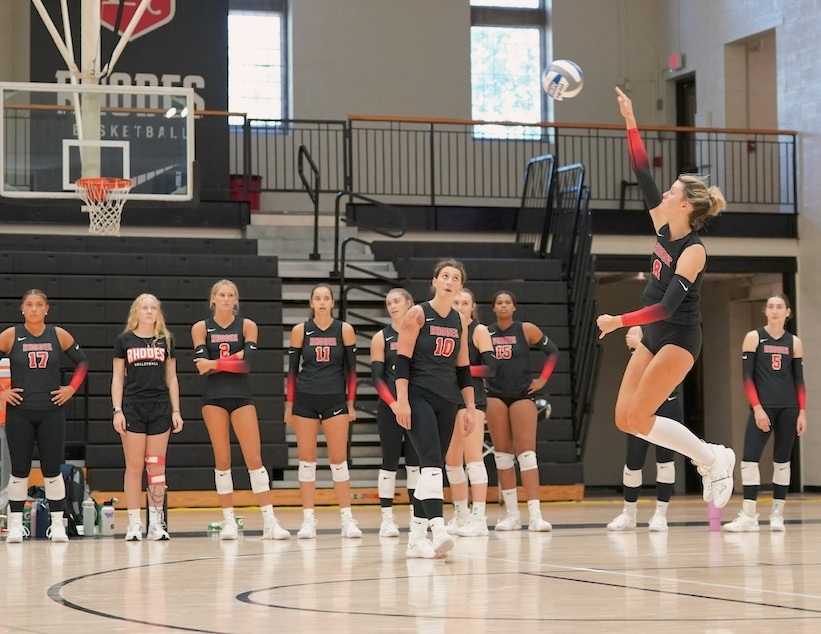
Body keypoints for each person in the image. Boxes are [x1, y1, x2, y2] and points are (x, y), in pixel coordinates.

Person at [596, 86, 735, 509]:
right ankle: (713, 457)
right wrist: (631, 121)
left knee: (640, 417)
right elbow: (642, 172)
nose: (665, 194)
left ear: (687, 204)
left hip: (678, 336)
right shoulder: (661, 224)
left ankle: (712, 459)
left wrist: (619, 321)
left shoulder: (693, 251)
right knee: (626, 419)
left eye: (673, 191)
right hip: (654, 334)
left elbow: (667, 307)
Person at [192, 280, 289, 540]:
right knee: (222, 460)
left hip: (241, 396)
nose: (226, 299)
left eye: (230, 295)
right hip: (213, 398)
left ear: (236, 300)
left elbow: (248, 364)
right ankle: (229, 522)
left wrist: (215, 362)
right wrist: (230, 358)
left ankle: (270, 521)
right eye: (221, 295)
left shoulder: (247, 325)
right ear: (213, 299)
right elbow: (202, 367)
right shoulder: (201, 328)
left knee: (254, 459)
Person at [395, 259, 476, 559]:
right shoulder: (417, 313)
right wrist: (401, 400)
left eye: (456, 278)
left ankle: (416, 540)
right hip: (419, 396)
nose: (450, 281)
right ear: (435, 280)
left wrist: (469, 406)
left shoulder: (459, 321)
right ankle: (438, 527)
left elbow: (463, 368)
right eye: (445, 276)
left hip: (447, 400)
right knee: (430, 463)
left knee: (431, 470)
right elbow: (401, 361)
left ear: (460, 286)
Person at [0, 289, 88, 543]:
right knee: (19, 471)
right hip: (19, 413)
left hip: (51, 413)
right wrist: (3, 393)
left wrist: (71, 389)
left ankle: (58, 525)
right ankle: (16, 526)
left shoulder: (58, 335)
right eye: (29, 304)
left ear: (47, 309)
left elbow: (82, 363)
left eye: (39, 304)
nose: (34, 309)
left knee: (52, 470)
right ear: (22, 309)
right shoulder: (11, 335)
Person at [723, 293, 806, 532]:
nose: (775, 310)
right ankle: (749, 516)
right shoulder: (753, 337)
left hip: (789, 407)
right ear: (766, 311)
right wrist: (757, 408)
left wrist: (802, 412)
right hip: (763, 407)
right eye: (770, 306)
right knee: (749, 459)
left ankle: (777, 514)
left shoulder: (794, 342)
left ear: (788, 312)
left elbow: (799, 381)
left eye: (780, 307)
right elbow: (747, 377)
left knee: (782, 461)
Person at [285, 284, 361, 539]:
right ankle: (308, 520)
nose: (321, 302)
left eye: (326, 298)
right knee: (306, 462)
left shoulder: (345, 330)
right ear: (311, 303)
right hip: (305, 400)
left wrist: (350, 404)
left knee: (338, 461)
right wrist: (289, 406)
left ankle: (347, 519)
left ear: (332, 303)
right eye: (317, 298)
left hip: (335, 400)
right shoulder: (300, 331)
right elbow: (292, 372)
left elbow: (352, 372)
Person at [112, 294, 184, 541]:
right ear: (136, 311)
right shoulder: (124, 340)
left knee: (156, 467)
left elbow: (172, 377)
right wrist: (117, 410)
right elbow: (118, 378)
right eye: (145, 307)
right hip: (133, 407)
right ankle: (133, 524)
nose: (150, 311)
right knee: (134, 466)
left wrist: (176, 410)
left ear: (158, 312)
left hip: (160, 408)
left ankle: (155, 523)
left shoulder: (166, 340)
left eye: (154, 307)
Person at [485, 291, 558, 532]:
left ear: (514, 307)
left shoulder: (526, 329)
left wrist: (543, 380)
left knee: (527, 455)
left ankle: (536, 515)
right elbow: (473, 364)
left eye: (507, 302)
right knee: (503, 456)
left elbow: (553, 352)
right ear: (494, 308)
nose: (503, 306)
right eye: (499, 303)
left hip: (522, 395)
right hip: (495, 396)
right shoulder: (485, 333)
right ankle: (512, 515)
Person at [608, 326, 683, 532]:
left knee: (665, 461)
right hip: (641, 405)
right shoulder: (638, 329)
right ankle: (629, 514)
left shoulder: (673, 331)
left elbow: (666, 363)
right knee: (633, 461)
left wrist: (640, 345)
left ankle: (661, 515)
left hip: (667, 403)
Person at [445, 288, 495, 537]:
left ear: (473, 306)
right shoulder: (447, 332)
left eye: (464, 303)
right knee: (452, 461)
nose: (460, 306)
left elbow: (491, 369)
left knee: (473, 457)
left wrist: (462, 371)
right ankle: (461, 514)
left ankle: (479, 518)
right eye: (456, 302)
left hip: (472, 399)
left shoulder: (479, 331)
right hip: (448, 399)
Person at [370, 288, 420, 537]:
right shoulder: (381, 337)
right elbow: (378, 379)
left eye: (397, 301)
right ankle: (387, 519)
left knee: (415, 464)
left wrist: (410, 403)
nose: (392, 306)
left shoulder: (420, 333)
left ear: (409, 303)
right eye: (388, 302)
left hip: (415, 406)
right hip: (390, 407)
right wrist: (394, 404)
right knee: (389, 461)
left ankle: (415, 516)